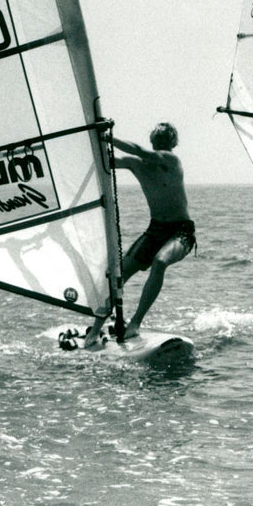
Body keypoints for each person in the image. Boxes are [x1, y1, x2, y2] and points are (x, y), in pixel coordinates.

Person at [84, 121, 195, 347]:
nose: (163, 144)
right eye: (159, 140)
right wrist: (92, 143)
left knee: (160, 261)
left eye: (167, 141)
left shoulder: (172, 161)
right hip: (155, 230)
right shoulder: (137, 165)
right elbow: (107, 163)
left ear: (173, 144)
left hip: (181, 231)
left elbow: (136, 149)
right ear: (153, 141)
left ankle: (135, 323)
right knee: (118, 276)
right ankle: (94, 331)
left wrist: (107, 136)